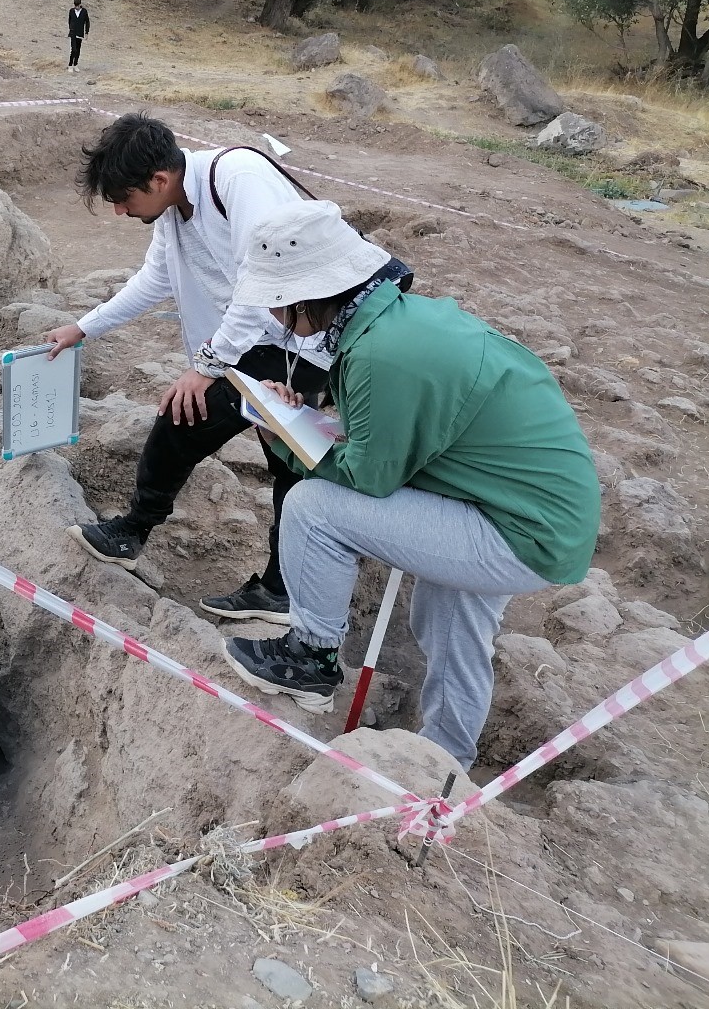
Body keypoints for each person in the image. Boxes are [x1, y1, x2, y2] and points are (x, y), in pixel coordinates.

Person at [219, 203, 600, 770]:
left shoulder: (380, 353)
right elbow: (395, 431)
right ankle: (445, 764)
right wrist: (312, 419)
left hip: (515, 529)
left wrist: (281, 436)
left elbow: (370, 477)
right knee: (450, 624)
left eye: (274, 299)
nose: (271, 313)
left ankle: (311, 660)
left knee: (311, 508)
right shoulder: (398, 322)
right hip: (540, 516)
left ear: (304, 295)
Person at [44, 113, 413, 624]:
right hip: (266, 340)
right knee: (289, 462)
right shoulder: (172, 209)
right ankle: (281, 588)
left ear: (159, 180)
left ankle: (135, 531)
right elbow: (154, 281)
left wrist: (208, 366)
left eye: (124, 198)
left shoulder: (239, 180)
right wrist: (82, 328)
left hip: (304, 337)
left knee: (185, 416)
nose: (118, 211)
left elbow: (260, 288)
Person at [67, 0, 91, 70]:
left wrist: (86, 32)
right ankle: (70, 65)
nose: (76, 7)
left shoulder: (84, 11)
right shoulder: (71, 11)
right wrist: (71, 28)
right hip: (73, 32)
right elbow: (70, 20)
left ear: (80, 4)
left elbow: (87, 22)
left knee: (78, 50)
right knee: (73, 49)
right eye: (75, 5)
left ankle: (75, 64)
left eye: (77, 5)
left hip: (80, 33)